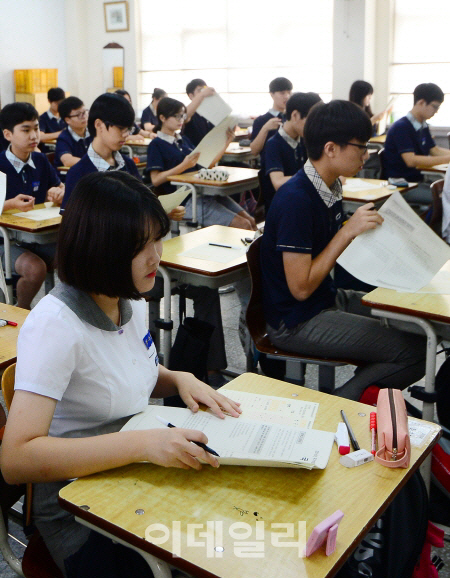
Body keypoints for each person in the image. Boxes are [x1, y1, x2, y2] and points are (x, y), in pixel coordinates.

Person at [1, 171, 241, 578]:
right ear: (101, 249)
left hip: (133, 474)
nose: (156, 257)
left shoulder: (129, 300)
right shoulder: (55, 325)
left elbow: (129, 368)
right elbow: (17, 459)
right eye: (139, 246)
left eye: (157, 239)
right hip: (74, 502)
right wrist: (141, 445)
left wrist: (178, 378)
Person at [260, 100, 426, 401]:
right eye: (360, 147)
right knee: (414, 352)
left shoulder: (330, 186)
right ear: (331, 149)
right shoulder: (296, 200)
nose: (366, 155)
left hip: (325, 298)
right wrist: (347, 232)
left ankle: (362, 392)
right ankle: (338, 405)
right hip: (296, 320)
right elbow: (299, 288)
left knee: (418, 324)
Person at [147, 96, 256, 230]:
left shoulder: (183, 140)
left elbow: (207, 163)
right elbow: (156, 180)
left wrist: (228, 141)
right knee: (243, 225)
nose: (181, 120)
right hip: (185, 201)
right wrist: (184, 166)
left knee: (250, 220)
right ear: (162, 118)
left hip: (204, 193)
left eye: (183, 116)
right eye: (177, 116)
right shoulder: (156, 144)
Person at [0, 102, 64, 309]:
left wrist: (59, 194)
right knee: (35, 269)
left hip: (37, 236)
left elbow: (60, 187)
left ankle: (59, 311)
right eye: (26, 130)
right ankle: (23, 310)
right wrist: (10, 204)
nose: (33, 136)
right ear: (8, 134)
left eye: (36, 128)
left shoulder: (40, 160)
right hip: (5, 241)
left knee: (75, 256)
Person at [61, 93, 141, 210]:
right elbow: (72, 224)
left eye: (128, 129)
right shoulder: (78, 173)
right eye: (121, 128)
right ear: (99, 125)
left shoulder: (128, 165)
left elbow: (143, 206)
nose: (126, 134)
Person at [384, 83, 450, 205]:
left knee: (446, 193)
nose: (436, 111)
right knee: (444, 198)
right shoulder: (402, 127)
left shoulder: (422, 125)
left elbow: (433, 150)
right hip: (404, 185)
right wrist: (447, 158)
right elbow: (411, 160)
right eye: (434, 107)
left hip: (418, 181)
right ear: (421, 102)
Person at [263, 92, 321, 211]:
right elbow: (278, 182)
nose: (315, 127)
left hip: (302, 201)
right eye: (311, 121)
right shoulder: (273, 144)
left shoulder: (305, 140)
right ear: (295, 115)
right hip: (284, 208)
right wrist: (317, 177)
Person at [249, 77, 293, 162]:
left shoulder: (293, 118)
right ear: (272, 94)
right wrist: (265, 128)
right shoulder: (261, 121)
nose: (287, 97)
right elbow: (254, 151)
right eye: (282, 93)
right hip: (269, 169)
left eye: (289, 92)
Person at [55, 96, 91, 167]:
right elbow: (67, 161)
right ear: (67, 120)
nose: (84, 116)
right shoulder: (64, 138)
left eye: (84, 112)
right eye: (78, 115)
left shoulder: (93, 132)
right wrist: (92, 162)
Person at [183, 78, 216, 146]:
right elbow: (184, 116)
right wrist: (202, 95)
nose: (205, 93)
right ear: (191, 96)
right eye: (200, 90)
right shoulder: (190, 113)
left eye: (205, 90)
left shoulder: (209, 113)